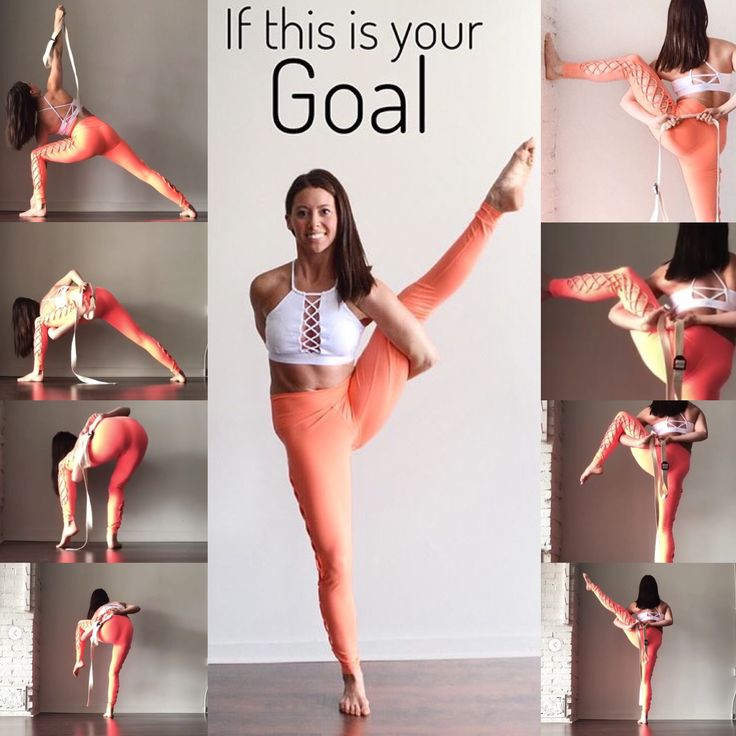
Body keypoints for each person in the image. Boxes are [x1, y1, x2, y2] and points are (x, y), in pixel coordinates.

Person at [249, 140, 534, 716]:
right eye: (303, 211)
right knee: (334, 558)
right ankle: (352, 672)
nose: (314, 222)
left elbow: (422, 354)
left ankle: (494, 207)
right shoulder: (265, 288)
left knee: (413, 300)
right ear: (287, 220)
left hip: (354, 405)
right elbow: (277, 356)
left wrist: (391, 373)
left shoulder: (361, 290)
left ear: (340, 217)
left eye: (325, 211)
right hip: (307, 426)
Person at [544, 0, 736, 222]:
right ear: (703, 16)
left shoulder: (669, 60)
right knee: (709, 220)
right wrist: (723, 109)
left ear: (673, 21)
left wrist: (653, 121)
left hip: (682, 132)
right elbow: (627, 102)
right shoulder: (727, 49)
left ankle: (560, 69)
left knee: (631, 63)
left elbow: (627, 102)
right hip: (713, 142)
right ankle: (713, 254)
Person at [5, 5, 197, 219]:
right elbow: (58, 53)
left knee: (36, 155)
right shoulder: (53, 90)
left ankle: (38, 205)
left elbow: (43, 159)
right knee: (144, 172)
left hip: (85, 138)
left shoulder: (41, 125)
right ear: (31, 90)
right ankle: (186, 206)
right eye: (29, 82)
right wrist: (58, 20)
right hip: (104, 130)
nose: (32, 81)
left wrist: (37, 193)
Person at [545, 223, 736, 399]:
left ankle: (550, 286)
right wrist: (646, 322)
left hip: (679, 349)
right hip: (718, 365)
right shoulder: (733, 265)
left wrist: (643, 323)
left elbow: (615, 312)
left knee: (622, 278)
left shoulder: (671, 271)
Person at [579, 401, 707, 561]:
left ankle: (596, 462)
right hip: (678, 463)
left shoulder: (652, 411)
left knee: (621, 417)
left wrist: (639, 442)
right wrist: (670, 439)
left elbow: (620, 433)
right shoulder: (693, 409)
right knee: (665, 527)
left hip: (657, 456)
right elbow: (702, 433)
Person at [12, 269, 186, 383]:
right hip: (101, 294)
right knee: (140, 337)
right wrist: (81, 283)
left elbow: (55, 335)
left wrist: (78, 314)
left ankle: (38, 372)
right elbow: (72, 272)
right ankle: (177, 372)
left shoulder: (45, 314)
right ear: (32, 302)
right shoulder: (50, 292)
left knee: (44, 326)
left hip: (88, 306)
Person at [583, 573, 672, 724]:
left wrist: (648, 624)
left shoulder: (654, 605)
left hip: (647, 636)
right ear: (655, 589)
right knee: (646, 678)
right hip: (642, 633)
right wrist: (629, 625)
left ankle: (592, 587)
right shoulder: (655, 605)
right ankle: (644, 715)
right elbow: (617, 621)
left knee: (645, 678)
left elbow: (670, 621)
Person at [53, 407, 148, 549]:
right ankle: (112, 537)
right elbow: (127, 409)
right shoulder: (97, 420)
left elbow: (76, 478)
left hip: (110, 434)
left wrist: (80, 463)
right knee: (117, 486)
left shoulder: (83, 439)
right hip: (139, 433)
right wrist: (106, 415)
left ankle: (69, 523)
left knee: (62, 467)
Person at [73, 588, 139, 718]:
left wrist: (83, 638)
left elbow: (88, 631)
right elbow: (137, 607)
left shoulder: (100, 610)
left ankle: (79, 660)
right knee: (113, 673)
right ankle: (109, 709)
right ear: (107, 598)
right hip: (127, 628)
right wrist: (122, 611)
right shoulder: (118, 603)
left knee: (80, 624)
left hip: (110, 627)